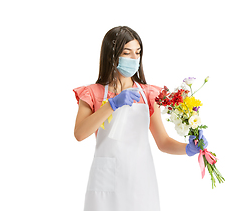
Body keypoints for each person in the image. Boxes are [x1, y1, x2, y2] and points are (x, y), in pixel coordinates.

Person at [73, 26, 208, 211]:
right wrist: (111, 105)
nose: (134, 59)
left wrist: (188, 148)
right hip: (106, 183)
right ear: (111, 56)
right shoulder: (93, 93)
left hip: (141, 181)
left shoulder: (148, 94)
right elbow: (80, 133)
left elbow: (163, 142)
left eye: (138, 53)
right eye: (127, 53)